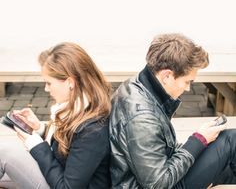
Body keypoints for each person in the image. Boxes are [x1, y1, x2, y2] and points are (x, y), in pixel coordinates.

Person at [110, 33, 236, 188]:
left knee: (227, 166)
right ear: (167, 76)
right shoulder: (142, 119)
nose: (189, 88)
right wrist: (198, 140)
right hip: (156, 184)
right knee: (230, 141)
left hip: (154, 173)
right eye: (187, 81)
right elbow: (158, 184)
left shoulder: (138, 84)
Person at [0, 42, 111, 188]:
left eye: (49, 83)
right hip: (56, 173)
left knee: (5, 152)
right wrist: (40, 128)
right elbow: (68, 141)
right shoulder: (80, 108)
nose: (46, 89)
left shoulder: (93, 130)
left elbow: (67, 186)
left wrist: (36, 145)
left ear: (70, 82)